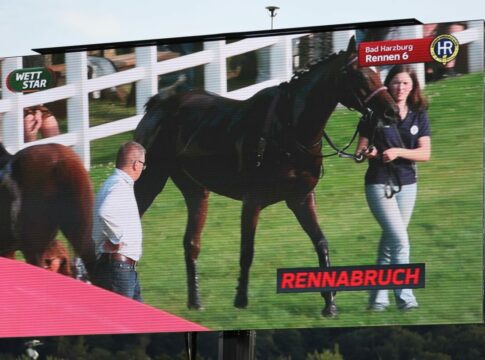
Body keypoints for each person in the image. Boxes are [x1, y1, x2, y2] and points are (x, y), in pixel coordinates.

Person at [355, 64, 431, 311]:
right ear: (388, 84)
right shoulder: (372, 114)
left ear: (413, 87)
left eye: (406, 83)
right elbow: (360, 150)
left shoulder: (418, 113)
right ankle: (406, 299)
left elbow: (425, 153)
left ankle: (378, 301)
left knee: (390, 242)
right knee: (400, 240)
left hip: (408, 184)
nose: (400, 88)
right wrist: (369, 152)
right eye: (396, 82)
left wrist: (398, 152)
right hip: (379, 183)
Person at [91, 141, 146, 301]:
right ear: (136, 164)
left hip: (121, 268)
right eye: (143, 164)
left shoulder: (112, 183)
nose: (143, 169)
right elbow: (105, 212)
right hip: (119, 269)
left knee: (140, 320)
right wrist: (117, 238)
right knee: (125, 321)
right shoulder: (119, 186)